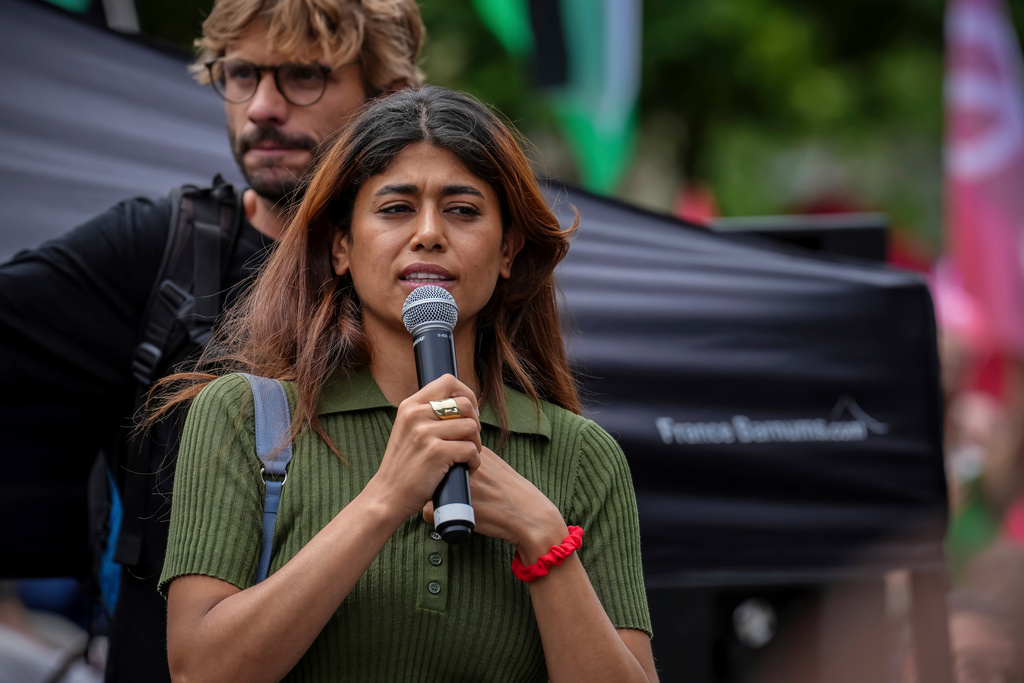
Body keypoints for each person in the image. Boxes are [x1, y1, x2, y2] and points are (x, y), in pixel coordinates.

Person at [154, 85, 658, 682]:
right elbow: (199, 673)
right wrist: (386, 496)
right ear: (341, 246)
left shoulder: (579, 456)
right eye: (395, 208)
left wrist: (543, 537)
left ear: (507, 250)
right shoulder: (246, 418)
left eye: (463, 210)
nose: (428, 233)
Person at [0, 1, 425, 680]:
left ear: (390, 100)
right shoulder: (158, 254)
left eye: (304, 76)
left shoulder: (437, 279)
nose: (262, 107)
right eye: (241, 74)